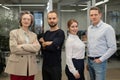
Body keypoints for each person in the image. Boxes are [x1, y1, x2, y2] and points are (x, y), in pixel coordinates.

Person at [5, 11, 40, 80]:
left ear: (31, 22)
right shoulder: (14, 33)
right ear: (20, 20)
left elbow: (37, 49)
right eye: (24, 19)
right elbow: (14, 49)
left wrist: (22, 45)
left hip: (30, 67)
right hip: (17, 66)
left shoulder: (34, 35)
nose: (26, 21)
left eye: (28, 19)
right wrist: (31, 48)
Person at [87, 7, 117, 80]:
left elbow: (113, 47)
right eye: (91, 15)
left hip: (100, 62)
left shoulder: (107, 28)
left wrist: (101, 59)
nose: (93, 17)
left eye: (95, 14)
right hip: (90, 60)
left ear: (100, 15)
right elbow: (90, 45)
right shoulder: (89, 28)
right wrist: (88, 60)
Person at [39, 11, 65, 80]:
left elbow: (54, 47)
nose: (52, 20)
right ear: (47, 20)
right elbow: (42, 49)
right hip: (45, 66)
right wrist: (50, 43)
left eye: (54, 18)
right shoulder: (46, 33)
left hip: (55, 67)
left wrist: (44, 43)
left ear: (57, 19)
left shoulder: (60, 32)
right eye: (50, 18)